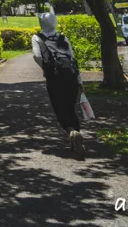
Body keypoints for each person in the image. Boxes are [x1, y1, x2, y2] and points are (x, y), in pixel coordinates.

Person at [32, 10, 84, 153]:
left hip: (54, 77)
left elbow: (36, 56)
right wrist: (79, 81)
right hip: (71, 76)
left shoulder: (37, 38)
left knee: (59, 107)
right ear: (54, 22)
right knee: (70, 108)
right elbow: (72, 58)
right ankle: (76, 134)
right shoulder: (63, 37)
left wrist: (46, 67)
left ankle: (71, 132)